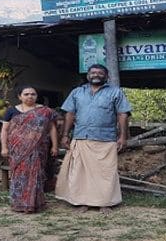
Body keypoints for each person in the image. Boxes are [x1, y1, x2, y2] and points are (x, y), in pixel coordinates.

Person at [56, 64, 131, 213]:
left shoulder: (115, 92)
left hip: (106, 138)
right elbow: (69, 114)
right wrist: (65, 135)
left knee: (106, 173)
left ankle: (105, 202)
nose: (96, 75)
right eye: (93, 72)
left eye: (100, 73)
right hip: (81, 137)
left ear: (107, 76)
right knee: (81, 173)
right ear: (88, 75)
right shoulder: (77, 92)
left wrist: (122, 136)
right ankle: (83, 202)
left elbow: (122, 114)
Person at [0, 85, 59, 213]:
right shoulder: (11, 111)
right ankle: (19, 203)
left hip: (38, 149)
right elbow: (4, 130)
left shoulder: (45, 111)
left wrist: (55, 145)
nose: (30, 96)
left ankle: (34, 204)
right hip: (17, 149)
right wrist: (4, 147)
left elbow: (52, 128)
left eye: (33, 94)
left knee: (36, 175)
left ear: (37, 96)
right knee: (18, 175)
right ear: (19, 96)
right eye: (26, 94)